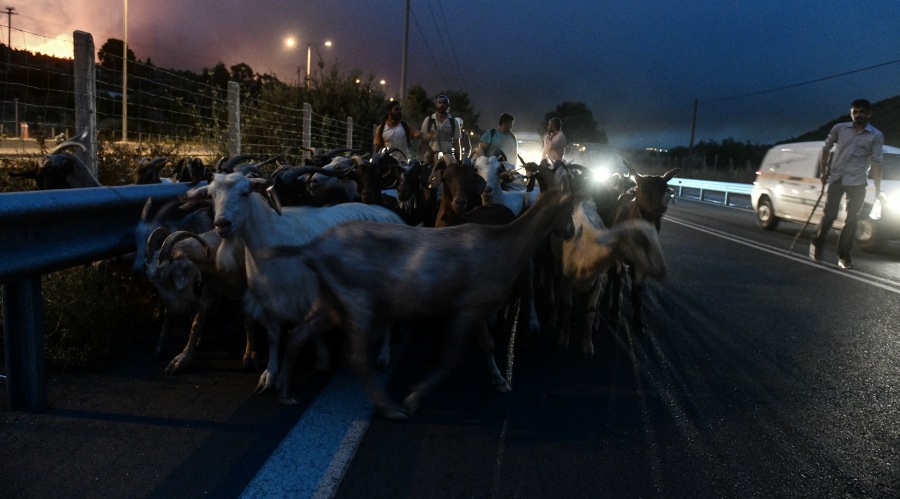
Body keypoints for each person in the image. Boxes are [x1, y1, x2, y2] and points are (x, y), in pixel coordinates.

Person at [810, 99, 884, 269]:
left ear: (869, 114)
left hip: (857, 182)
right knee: (830, 215)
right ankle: (817, 241)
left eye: (862, 112)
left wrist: (879, 190)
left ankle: (843, 256)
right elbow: (826, 147)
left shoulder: (876, 136)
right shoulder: (839, 129)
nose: (858, 115)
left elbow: (877, 163)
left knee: (852, 220)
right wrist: (823, 170)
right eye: (855, 112)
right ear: (851, 113)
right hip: (837, 179)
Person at [421, 95, 462, 162]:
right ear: (436, 105)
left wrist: (459, 160)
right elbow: (423, 141)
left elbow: (457, 143)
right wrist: (423, 158)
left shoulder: (454, 122)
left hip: (448, 158)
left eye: (444, 103)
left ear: (448, 106)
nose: (442, 105)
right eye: (439, 102)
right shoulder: (428, 120)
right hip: (431, 158)